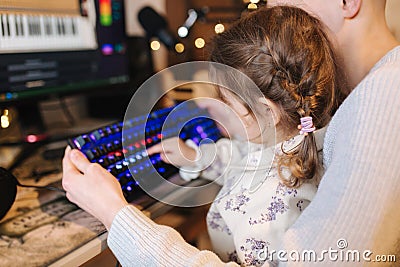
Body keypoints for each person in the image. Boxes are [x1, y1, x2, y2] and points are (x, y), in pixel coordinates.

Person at [62, 0, 400, 265]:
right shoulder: (310, 126)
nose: (270, 9)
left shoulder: (382, 101)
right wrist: (202, 155)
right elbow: (261, 158)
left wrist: (114, 213)